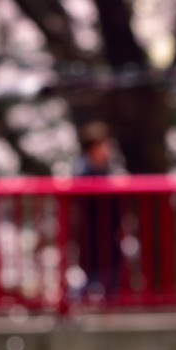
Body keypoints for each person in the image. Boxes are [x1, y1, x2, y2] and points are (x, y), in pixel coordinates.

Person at [74, 121, 124, 301]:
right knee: (92, 273)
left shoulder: (109, 169)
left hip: (108, 232)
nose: (108, 149)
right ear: (94, 147)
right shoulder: (83, 171)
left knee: (110, 273)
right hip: (91, 233)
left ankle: (109, 303)